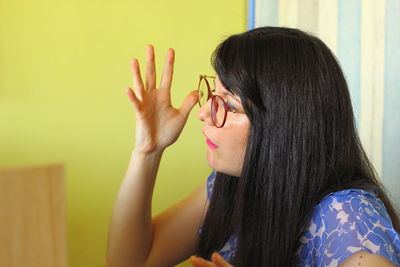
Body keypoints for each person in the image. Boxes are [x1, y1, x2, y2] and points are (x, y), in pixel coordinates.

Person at [106, 27, 400, 267]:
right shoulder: (228, 186)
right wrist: (148, 151)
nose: (203, 112)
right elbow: (130, 261)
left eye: (229, 106)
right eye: (213, 94)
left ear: (283, 127)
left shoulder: (348, 213)